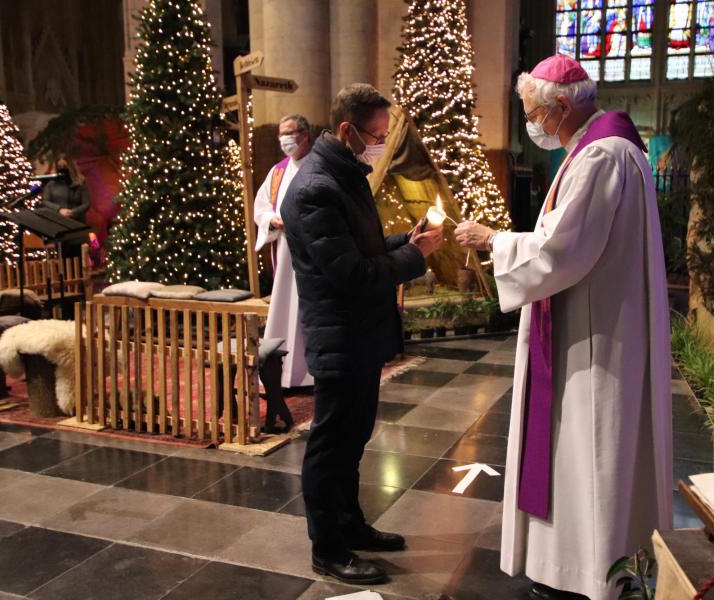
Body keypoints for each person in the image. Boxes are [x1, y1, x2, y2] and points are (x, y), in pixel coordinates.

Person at [455, 54, 673, 600]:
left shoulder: (602, 155)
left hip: (595, 336)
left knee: (588, 447)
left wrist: (493, 241)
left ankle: (586, 572)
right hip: (590, 319)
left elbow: (562, 248)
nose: (532, 124)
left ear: (562, 105)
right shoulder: (601, 149)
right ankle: (576, 565)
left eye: (534, 112)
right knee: (580, 451)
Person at [281, 83, 443, 585]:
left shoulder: (343, 174)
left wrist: (404, 240)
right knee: (330, 444)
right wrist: (416, 258)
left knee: (353, 437)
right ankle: (327, 547)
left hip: (360, 333)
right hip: (340, 334)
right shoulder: (315, 189)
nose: (379, 143)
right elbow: (350, 274)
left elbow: (363, 245)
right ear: (347, 129)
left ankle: (350, 525)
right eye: (374, 135)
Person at [253, 113, 314, 392]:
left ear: (304, 135)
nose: (283, 139)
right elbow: (261, 207)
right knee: (284, 305)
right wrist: (272, 220)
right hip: (286, 248)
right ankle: (281, 372)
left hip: (313, 250)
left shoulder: (317, 166)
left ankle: (310, 372)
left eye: (288, 133)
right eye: (281, 134)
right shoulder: (277, 172)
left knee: (307, 307)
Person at [42, 154, 90, 258]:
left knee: (78, 257)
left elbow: (86, 203)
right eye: (59, 166)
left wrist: (73, 212)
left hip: (77, 226)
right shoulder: (51, 184)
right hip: (59, 226)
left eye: (65, 166)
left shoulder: (80, 183)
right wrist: (59, 210)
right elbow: (45, 201)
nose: (62, 169)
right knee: (63, 258)